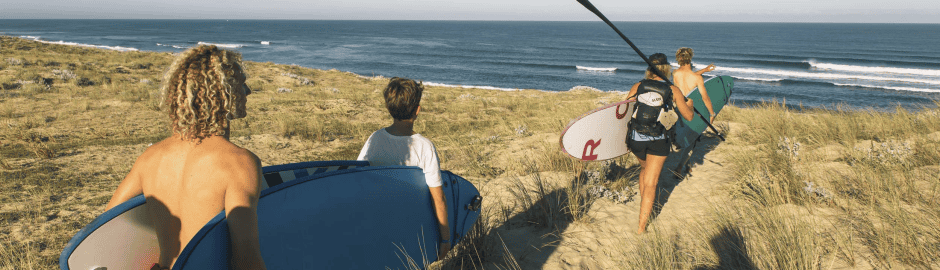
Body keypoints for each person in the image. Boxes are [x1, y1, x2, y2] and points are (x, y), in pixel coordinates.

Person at [105, 45, 267, 270]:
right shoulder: (239, 163)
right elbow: (246, 259)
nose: (247, 91)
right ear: (221, 92)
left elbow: (104, 227)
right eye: (240, 83)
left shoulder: (150, 157)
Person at [357, 77, 452, 260]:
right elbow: (438, 199)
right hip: (411, 225)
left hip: (377, 222)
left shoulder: (374, 139)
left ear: (389, 108)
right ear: (418, 110)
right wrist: (446, 239)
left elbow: (358, 176)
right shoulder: (425, 146)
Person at [625, 53, 695, 234]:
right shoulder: (673, 90)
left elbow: (624, 108)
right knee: (651, 182)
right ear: (666, 69)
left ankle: (644, 203)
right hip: (658, 141)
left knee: (644, 169)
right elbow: (688, 116)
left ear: (649, 70)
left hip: (636, 139)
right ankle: (641, 228)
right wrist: (691, 104)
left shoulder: (638, 86)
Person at [673, 47, 717, 123]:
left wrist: (705, 70)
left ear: (679, 58)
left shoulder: (675, 73)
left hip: (679, 106)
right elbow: (705, 98)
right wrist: (712, 114)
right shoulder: (697, 78)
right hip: (689, 109)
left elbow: (687, 76)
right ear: (690, 58)